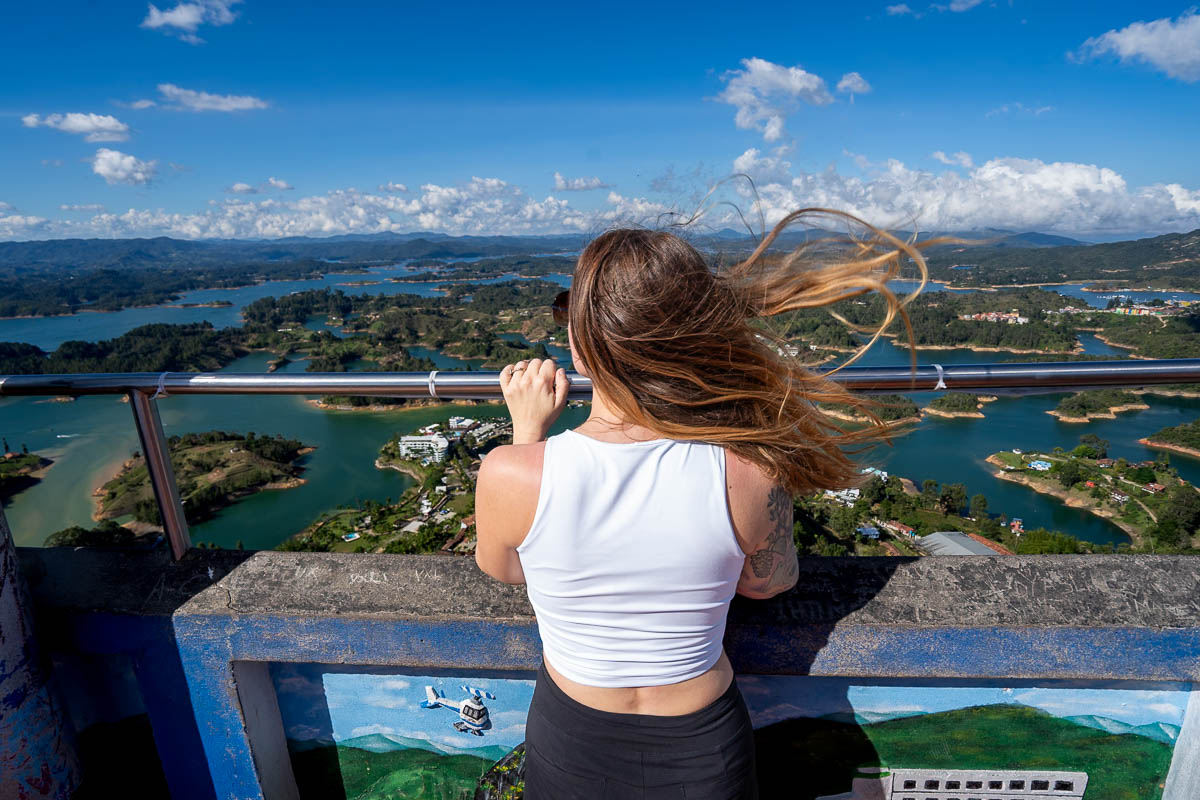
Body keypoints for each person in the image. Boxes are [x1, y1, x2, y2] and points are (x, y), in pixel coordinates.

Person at [474, 211, 927, 799]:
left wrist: (527, 435)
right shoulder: (751, 469)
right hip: (702, 742)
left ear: (582, 349)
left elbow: (507, 569)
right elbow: (768, 584)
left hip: (572, 733)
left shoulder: (510, 472)